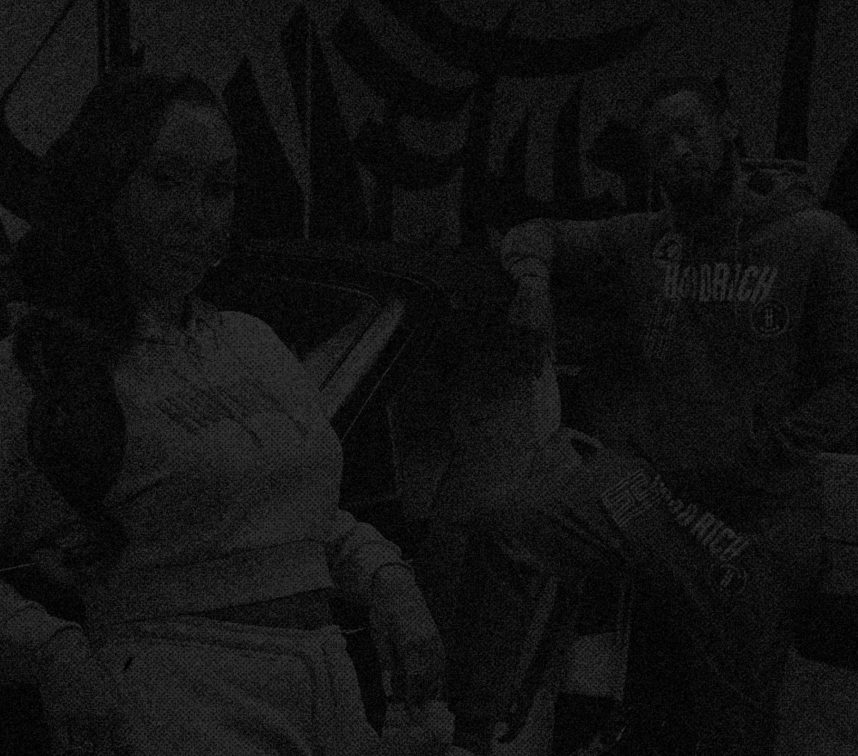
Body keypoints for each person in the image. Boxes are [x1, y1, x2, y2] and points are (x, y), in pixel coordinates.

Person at [0, 69, 448, 756]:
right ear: (103, 188)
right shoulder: (40, 362)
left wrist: (389, 580)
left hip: (326, 688)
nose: (197, 214)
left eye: (219, 188)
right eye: (166, 180)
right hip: (178, 702)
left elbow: (302, 512)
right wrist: (53, 652)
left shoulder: (251, 341)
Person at [441, 75, 858, 755]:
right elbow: (534, 234)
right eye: (661, 142)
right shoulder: (646, 238)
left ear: (729, 127)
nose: (678, 150)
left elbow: (850, 379)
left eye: (691, 130)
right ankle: (468, 735)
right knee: (505, 526)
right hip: (649, 490)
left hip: (757, 513)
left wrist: (777, 446)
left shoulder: (815, 239)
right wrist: (533, 287)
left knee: (735, 723)